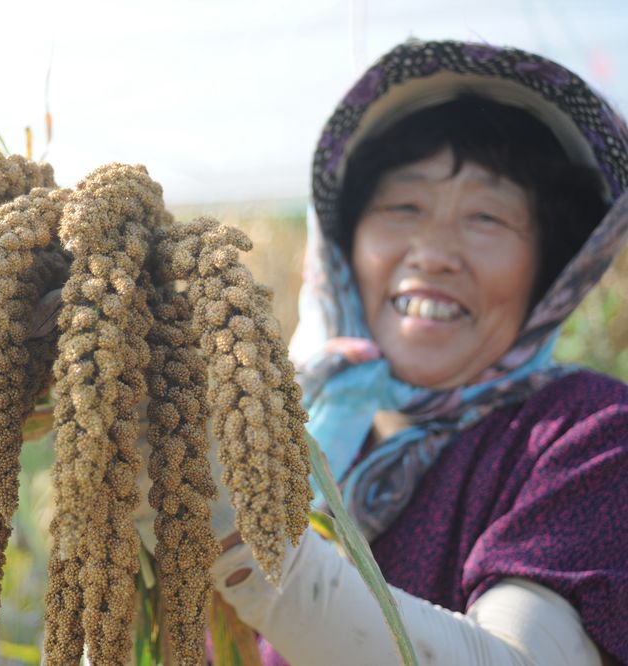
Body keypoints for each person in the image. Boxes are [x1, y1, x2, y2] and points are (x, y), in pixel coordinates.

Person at [187, 39, 627, 665]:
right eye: (404, 207)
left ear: (555, 272)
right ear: (343, 248)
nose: (433, 253)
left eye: (487, 217)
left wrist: (245, 541)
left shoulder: (590, 435)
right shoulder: (283, 428)